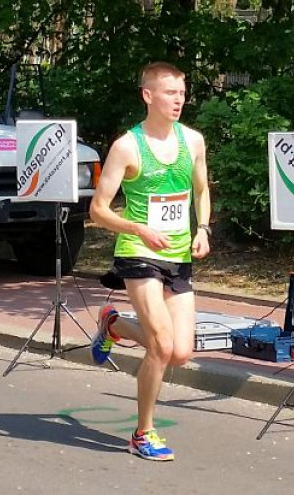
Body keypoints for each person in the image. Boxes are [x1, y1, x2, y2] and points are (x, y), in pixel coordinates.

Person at [88, 61, 211, 461]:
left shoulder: (193, 141)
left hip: (178, 255)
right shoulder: (127, 146)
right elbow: (98, 211)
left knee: (181, 352)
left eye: (182, 92)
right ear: (148, 96)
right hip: (139, 254)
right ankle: (143, 432)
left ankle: (114, 323)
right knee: (160, 344)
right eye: (170, 93)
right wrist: (137, 229)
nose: (179, 100)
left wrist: (203, 229)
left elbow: (201, 190)